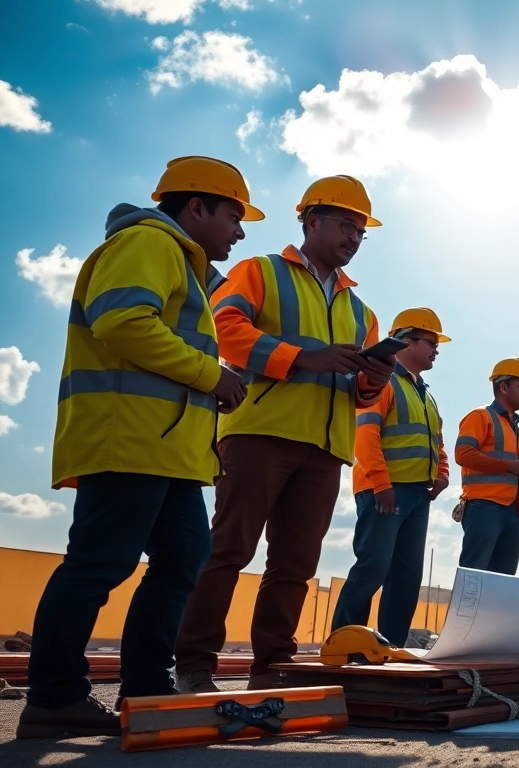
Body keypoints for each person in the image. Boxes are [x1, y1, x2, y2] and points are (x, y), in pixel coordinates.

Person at [19, 157, 260, 738]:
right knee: (100, 563)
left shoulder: (179, 261)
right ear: (195, 207)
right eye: (233, 214)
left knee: (183, 561)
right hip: (128, 439)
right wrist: (213, 374)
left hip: (164, 452)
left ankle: (148, 691)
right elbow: (124, 321)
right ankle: (54, 698)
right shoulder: (148, 242)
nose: (240, 230)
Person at [175, 175, 391, 692]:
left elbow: (364, 394)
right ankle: (194, 665)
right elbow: (222, 328)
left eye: (360, 232)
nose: (353, 239)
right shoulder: (261, 272)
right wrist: (302, 358)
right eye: (345, 226)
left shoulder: (362, 312)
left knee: (295, 565)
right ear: (312, 221)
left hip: (324, 449)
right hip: (259, 433)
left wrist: (372, 379)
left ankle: (272, 666)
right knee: (229, 549)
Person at [331, 308, 452, 646]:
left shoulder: (425, 394)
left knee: (406, 577)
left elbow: (437, 442)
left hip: (417, 496)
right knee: (373, 567)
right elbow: (366, 437)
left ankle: (392, 647)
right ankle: (345, 643)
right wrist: (382, 486)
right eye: (430, 342)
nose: (436, 350)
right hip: (383, 493)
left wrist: (441, 473)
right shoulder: (383, 380)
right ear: (405, 341)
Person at [455, 358, 519, 574]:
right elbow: (463, 454)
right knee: (474, 578)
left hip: (513, 513)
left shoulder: (517, 432)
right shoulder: (480, 417)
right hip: (485, 508)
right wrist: (510, 467)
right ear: (503, 386)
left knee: (500, 585)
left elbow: (514, 467)